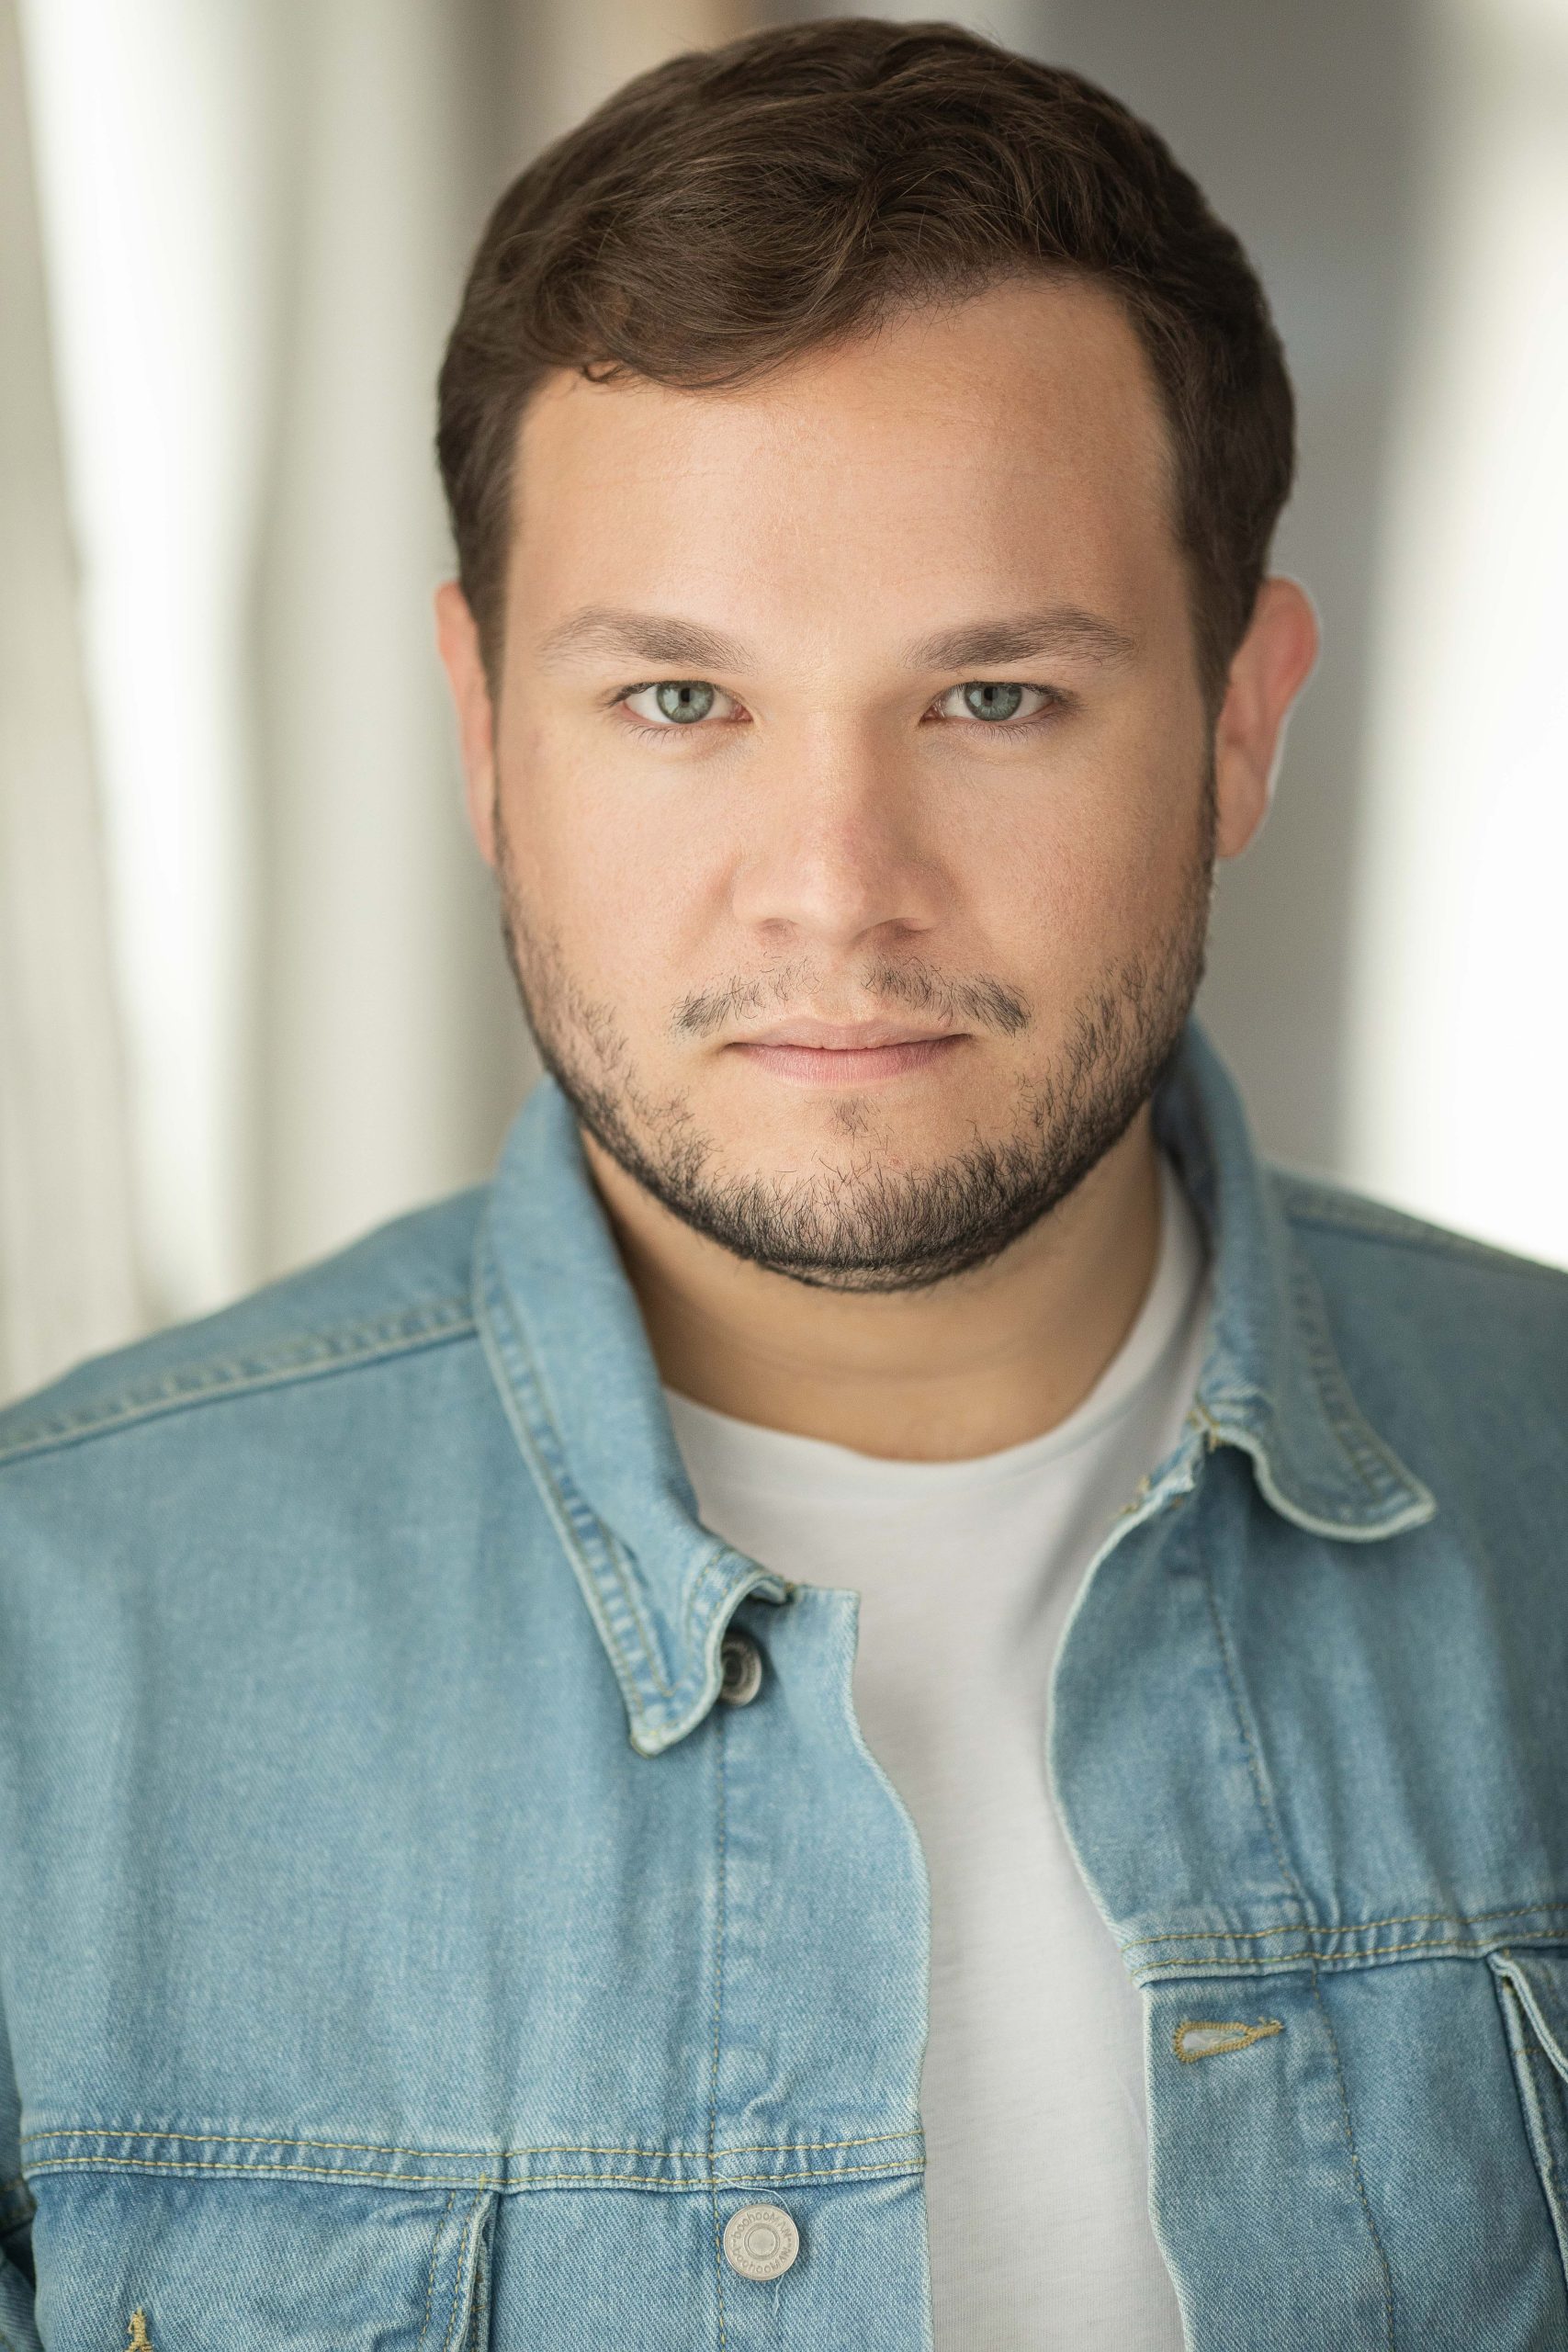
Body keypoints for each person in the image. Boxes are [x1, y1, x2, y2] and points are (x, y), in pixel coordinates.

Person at [0, 17, 1563, 2350]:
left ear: (1239, 718)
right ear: (481, 731)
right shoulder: (46, 1650)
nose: (833, 887)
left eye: (992, 697)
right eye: (677, 701)